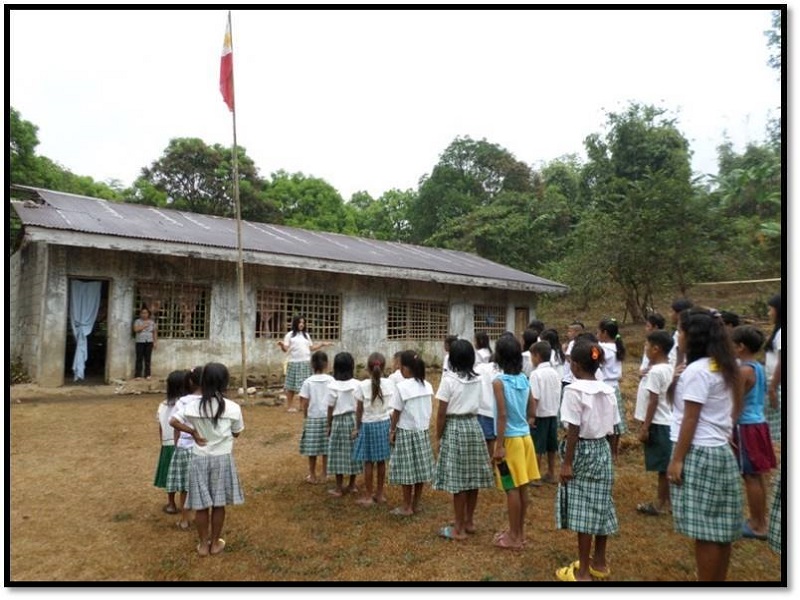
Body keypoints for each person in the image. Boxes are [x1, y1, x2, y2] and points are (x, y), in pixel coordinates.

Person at [667, 308, 743, 582]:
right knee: (720, 531)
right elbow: (736, 405)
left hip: (699, 453)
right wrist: (725, 429)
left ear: (691, 336)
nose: (677, 335)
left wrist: (677, 459)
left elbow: (691, 417)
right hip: (719, 451)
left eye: (680, 331)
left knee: (706, 533)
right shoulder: (723, 364)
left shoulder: (698, 372)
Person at [555, 338, 619, 582]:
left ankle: (582, 572)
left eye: (571, 361)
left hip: (581, 450)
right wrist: (611, 454)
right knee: (602, 503)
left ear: (577, 366)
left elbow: (573, 429)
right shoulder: (608, 390)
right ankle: (599, 563)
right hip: (602, 449)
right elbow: (614, 428)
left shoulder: (573, 390)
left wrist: (567, 462)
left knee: (584, 511)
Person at [170, 362, 245, 557]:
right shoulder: (233, 407)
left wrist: (193, 432)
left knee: (201, 504)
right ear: (225, 382)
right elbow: (237, 433)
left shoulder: (192, 406)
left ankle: (203, 545)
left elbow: (173, 421)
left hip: (199, 458)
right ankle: (215, 543)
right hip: (222, 459)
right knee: (218, 504)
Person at [433, 339, 495, 540]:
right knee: (472, 477)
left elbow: (441, 414)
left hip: (455, 427)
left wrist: (438, 436)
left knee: (458, 481)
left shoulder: (448, 380)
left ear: (451, 358)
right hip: (473, 426)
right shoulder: (478, 379)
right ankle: (468, 521)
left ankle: (458, 528)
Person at [491, 335, 539, 550]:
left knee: (511, 488)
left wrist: (499, 445)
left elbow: (502, 415)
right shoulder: (524, 379)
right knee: (523, 489)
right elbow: (532, 409)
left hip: (509, 441)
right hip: (525, 439)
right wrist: (526, 422)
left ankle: (513, 537)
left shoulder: (499, 382)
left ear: (499, 357)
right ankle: (519, 533)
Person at [732, 325, 777, 540]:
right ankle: (759, 520)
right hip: (758, 423)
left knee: (749, 475)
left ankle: (757, 525)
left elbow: (736, 404)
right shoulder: (757, 367)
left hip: (745, 427)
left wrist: (726, 427)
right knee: (757, 475)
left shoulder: (743, 371)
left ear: (740, 347)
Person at [388, 350, 435, 516]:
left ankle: (406, 506)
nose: (400, 370)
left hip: (406, 431)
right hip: (422, 431)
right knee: (420, 469)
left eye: (401, 367)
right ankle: (415, 503)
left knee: (407, 470)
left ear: (406, 369)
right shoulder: (427, 386)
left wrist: (392, 431)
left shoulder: (402, 387)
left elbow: (396, 412)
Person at [633, 330, 674, 516]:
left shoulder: (656, 372)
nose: (645, 349)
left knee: (663, 468)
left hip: (659, 422)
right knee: (665, 466)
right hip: (667, 421)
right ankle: (669, 502)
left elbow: (653, 400)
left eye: (647, 346)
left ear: (656, 349)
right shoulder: (669, 367)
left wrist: (645, 427)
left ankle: (660, 503)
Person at [353, 352, 395, 506]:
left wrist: (357, 428)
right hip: (384, 424)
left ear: (367, 368)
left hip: (368, 425)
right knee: (381, 462)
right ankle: (380, 494)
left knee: (368, 462)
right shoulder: (390, 384)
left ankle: (369, 496)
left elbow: (359, 411)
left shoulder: (362, 386)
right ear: (384, 368)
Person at [167, 365, 203, 531]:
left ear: (189, 381)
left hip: (185, 446)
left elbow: (175, 425)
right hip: (204, 448)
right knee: (202, 484)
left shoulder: (183, 401)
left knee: (184, 486)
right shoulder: (212, 400)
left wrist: (177, 444)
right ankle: (200, 516)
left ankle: (184, 519)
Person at [325, 352, 363, 497]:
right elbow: (361, 406)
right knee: (354, 451)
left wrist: (328, 425)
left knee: (337, 452)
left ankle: (339, 487)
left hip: (338, 421)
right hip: (354, 420)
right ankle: (352, 485)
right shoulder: (357, 384)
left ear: (335, 367)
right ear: (352, 366)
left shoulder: (332, 385)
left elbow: (330, 407)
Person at [277, 316, 333, 413]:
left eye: (303, 322)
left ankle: (302, 406)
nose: (302, 324)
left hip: (306, 363)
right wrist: (282, 345)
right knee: (291, 386)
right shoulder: (290, 335)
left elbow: (311, 348)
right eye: (299, 322)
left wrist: (322, 344)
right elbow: (286, 349)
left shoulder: (306, 335)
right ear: (295, 323)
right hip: (294, 363)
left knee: (304, 386)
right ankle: (289, 406)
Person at [154, 370, 188, 515]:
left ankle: (171, 504)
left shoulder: (162, 405)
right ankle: (185, 506)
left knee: (169, 476)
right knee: (184, 477)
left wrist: (162, 442)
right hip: (183, 445)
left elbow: (161, 427)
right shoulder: (186, 405)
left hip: (167, 444)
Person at [529, 341, 562, 486]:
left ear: (537, 356)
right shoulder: (555, 373)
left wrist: (531, 416)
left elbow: (535, 397)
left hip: (540, 414)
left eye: (532, 356)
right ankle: (551, 472)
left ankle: (535, 475)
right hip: (553, 413)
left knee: (537, 445)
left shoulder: (536, 374)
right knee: (551, 445)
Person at [298, 351, 334, 484]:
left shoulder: (308, 382)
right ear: (327, 364)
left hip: (313, 417)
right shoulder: (331, 380)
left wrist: (305, 414)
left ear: (312, 364)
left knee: (312, 449)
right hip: (327, 417)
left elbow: (304, 402)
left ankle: (312, 475)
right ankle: (325, 473)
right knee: (326, 447)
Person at [596, 318, 627, 461]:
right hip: (615, 386)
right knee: (616, 420)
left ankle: (607, 451)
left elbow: (596, 361)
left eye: (599, 332)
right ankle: (614, 452)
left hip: (604, 386)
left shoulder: (601, 349)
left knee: (605, 419)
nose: (597, 334)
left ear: (605, 333)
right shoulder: (618, 347)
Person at [763, 293, 782, 444]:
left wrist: (772, 388)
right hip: (775, 384)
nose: (769, 313)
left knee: (776, 433)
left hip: (777, 385)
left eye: (771, 310)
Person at [474, 354, 499, 458]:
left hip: (483, 409)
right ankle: (493, 463)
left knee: (485, 439)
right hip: (496, 410)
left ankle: (487, 462)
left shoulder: (481, 368)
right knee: (493, 439)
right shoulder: (501, 370)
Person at [132, 307, 157, 380]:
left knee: (147, 359)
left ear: (148, 314)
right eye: (142, 313)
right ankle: (138, 375)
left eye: (146, 313)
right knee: (139, 358)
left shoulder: (152, 322)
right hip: (140, 342)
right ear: (140, 314)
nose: (144, 314)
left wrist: (155, 342)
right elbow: (136, 329)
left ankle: (147, 374)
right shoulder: (137, 321)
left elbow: (154, 332)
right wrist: (144, 326)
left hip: (149, 342)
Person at [668, 298, 693, 368]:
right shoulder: (674, 334)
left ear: (679, 314)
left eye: (672, 311)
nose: (670, 314)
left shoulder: (689, 335)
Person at [561, 321, 584, 390]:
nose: (568, 334)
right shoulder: (583, 342)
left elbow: (568, 358)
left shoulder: (572, 343)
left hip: (568, 377)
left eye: (570, 331)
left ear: (577, 332)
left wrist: (564, 352)